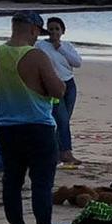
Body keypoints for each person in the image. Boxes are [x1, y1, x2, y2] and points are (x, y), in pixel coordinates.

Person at [0, 11, 66, 224]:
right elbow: (58, 90)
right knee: (41, 184)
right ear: (34, 30)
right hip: (38, 127)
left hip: (6, 128)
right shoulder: (36, 56)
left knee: (12, 182)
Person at [37, 16, 85, 166]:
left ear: (62, 31)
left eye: (57, 29)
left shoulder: (67, 46)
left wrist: (60, 48)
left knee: (64, 121)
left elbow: (77, 63)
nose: (54, 32)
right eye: (51, 29)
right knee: (61, 119)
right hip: (52, 86)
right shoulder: (40, 46)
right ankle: (66, 152)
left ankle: (57, 151)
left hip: (69, 84)